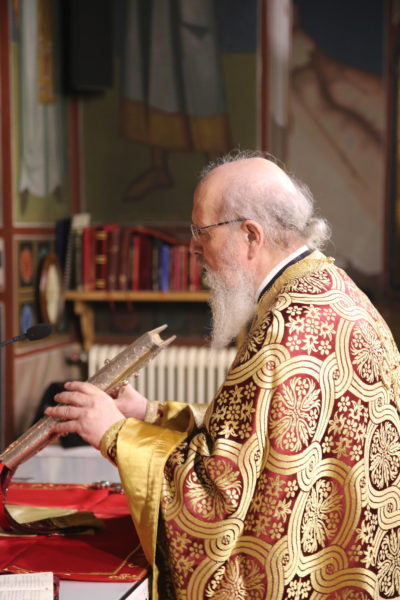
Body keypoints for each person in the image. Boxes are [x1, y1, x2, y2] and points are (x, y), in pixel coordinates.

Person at [45, 151, 400, 600]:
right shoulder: (330, 290)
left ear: (251, 236)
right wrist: (148, 413)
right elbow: (256, 434)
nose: (193, 248)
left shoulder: (286, 326)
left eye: (202, 231)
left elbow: (215, 496)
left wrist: (115, 434)